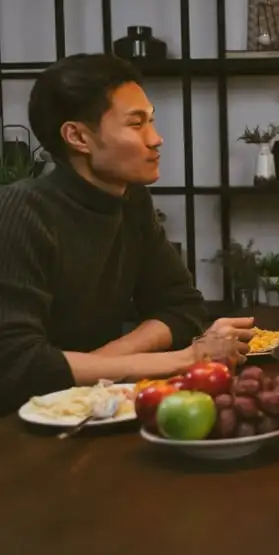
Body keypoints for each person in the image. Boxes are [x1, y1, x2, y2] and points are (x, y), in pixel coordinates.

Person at [0, 54, 252, 415]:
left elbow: (182, 307)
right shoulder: (19, 212)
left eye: (151, 121)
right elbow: (17, 365)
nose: (156, 139)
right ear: (78, 137)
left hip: (91, 407)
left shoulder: (131, 200)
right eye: (136, 124)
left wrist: (99, 361)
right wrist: (185, 359)